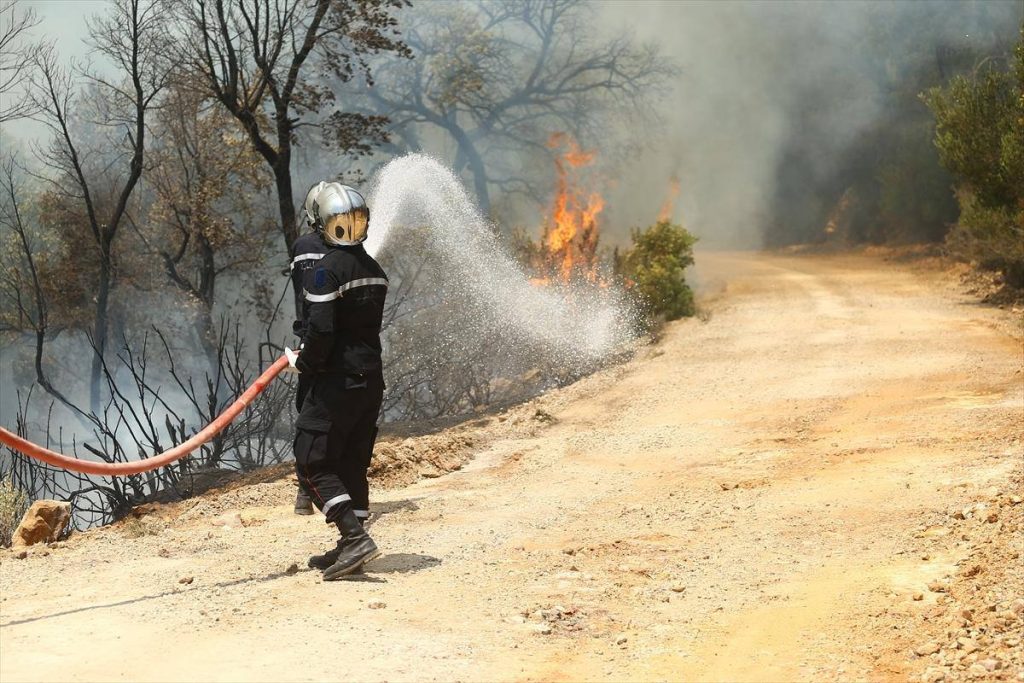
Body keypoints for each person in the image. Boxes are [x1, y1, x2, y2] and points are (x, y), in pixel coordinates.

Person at [285, 182, 388, 580]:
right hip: (370, 381)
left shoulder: (325, 271)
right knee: (351, 461)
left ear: (321, 223)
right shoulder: (375, 270)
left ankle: (354, 538)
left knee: (311, 459)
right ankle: (350, 545)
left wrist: (303, 363)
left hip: (335, 383)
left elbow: (322, 331)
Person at [288, 181, 328, 515]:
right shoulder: (351, 250)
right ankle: (320, 489)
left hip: (313, 344)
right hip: (346, 349)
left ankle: (307, 490)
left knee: (309, 417)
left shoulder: (303, 246)